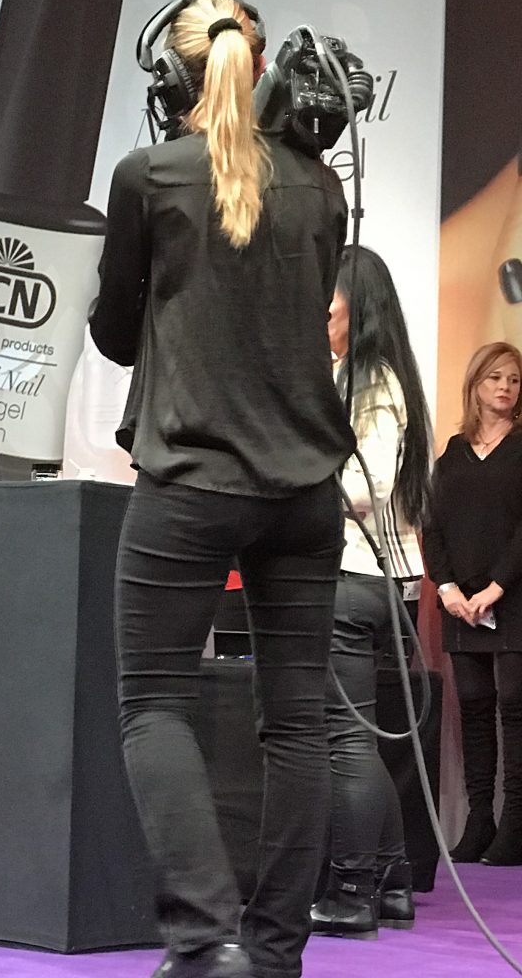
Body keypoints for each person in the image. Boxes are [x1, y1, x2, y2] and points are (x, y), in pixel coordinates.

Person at [90, 0, 355, 978]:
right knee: (297, 723)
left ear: (170, 80)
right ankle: (274, 955)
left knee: (152, 703)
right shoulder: (319, 187)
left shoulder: (148, 176)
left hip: (192, 481)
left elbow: (114, 335)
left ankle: (204, 944)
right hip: (305, 489)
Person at [309, 247, 432, 938]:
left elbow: (367, 484)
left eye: (326, 302)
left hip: (354, 576)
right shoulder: (375, 375)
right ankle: (389, 881)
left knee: (345, 739)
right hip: (375, 580)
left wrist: (299, 487)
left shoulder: (370, 378)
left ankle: (352, 890)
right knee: (356, 737)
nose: (318, 313)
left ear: (355, 306)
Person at [423, 341, 522, 866]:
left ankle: (517, 823)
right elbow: (433, 525)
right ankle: (480, 819)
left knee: (515, 707)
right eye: (495, 378)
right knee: (475, 707)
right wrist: (448, 589)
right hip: (462, 606)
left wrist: (496, 587)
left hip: (513, 598)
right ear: (475, 385)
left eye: (514, 380)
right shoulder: (453, 453)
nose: (505, 388)